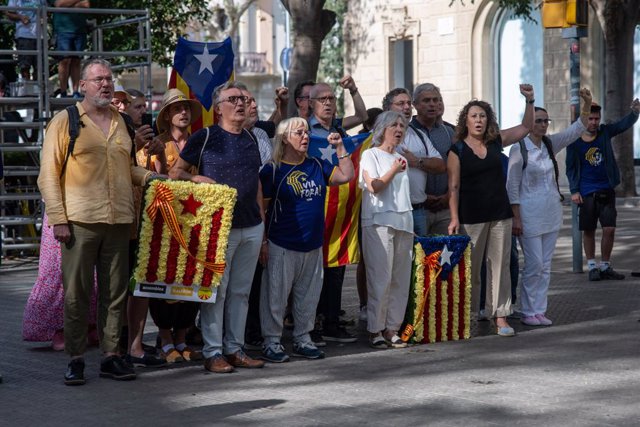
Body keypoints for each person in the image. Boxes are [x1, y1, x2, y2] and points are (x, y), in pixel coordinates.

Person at [38, 58, 155, 385]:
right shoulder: (66, 121)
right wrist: (58, 219)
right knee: (77, 293)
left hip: (119, 221)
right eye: (98, 79)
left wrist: (152, 178)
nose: (105, 84)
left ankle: (111, 356)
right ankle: (75, 359)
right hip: (79, 221)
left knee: (115, 292)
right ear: (83, 85)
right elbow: (48, 175)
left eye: (108, 79)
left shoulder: (122, 122)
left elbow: (128, 168)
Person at [170, 81, 266, 373]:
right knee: (216, 292)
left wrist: (262, 226)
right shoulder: (206, 136)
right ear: (219, 107)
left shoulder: (251, 138)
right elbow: (175, 172)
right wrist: (195, 179)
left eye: (242, 99)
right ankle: (213, 352)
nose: (240, 104)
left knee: (241, 292)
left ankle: (235, 349)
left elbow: (257, 183)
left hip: (251, 225)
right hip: (218, 227)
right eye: (233, 99)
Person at [259, 117, 354, 362]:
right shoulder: (272, 170)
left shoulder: (316, 164)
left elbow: (346, 176)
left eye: (306, 133)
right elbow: (263, 210)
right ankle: (272, 342)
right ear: (284, 138)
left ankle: (303, 339)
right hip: (282, 243)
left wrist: (340, 148)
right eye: (299, 133)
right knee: (276, 297)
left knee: (308, 296)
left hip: (312, 244)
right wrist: (263, 242)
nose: (305, 137)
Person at [447, 84, 535, 337]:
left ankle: (500, 316)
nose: (478, 120)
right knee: (471, 270)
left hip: (500, 215)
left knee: (500, 266)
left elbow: (525, 128)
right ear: (466, 120)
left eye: (483, 116)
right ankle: (468, 316)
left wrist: (530, 101)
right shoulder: (457, 150)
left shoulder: (496, 142)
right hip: (470, 217)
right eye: (474, 116)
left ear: (489, 120)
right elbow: (453, 186)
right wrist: (454, 217)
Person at [507, 88, 593, 326]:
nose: (543, 125)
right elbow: (512, 186)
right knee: (533, 265)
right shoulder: (519, 148)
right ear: (529, 123)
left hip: (550, 213)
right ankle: (526, 310)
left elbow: (576, 130)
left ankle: (539, 309)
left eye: (546, 121)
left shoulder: (548, 144)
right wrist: (516, 217)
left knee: (545, 266)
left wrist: (587, 104)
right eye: (538, 121)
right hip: (528, 214)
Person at [137, 88, 204, 363]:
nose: (184, 112)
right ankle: (165, 339)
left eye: (186, 108)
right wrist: (163, 161)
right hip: (163, 223)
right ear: (166, 116)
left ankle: (182, 337)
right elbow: (153, 183)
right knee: (163, 279)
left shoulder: (200, 142)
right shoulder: (155, 144)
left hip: (195, 223)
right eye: (177, 109)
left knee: (193, 278)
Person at [308, 77, 367, 344]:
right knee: (313, 272)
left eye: (331, 98)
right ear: (311, 104)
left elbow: (364, 116)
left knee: (336, 269)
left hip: (341, 210)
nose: (328, 103)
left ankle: (332, 321)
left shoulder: (340, 130)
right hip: (315, 207)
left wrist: (353, 89)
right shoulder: (304, 131)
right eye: (323, 99)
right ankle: (312, 324)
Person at [566, 98, 640, 281]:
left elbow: (622, 125)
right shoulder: (574, 140)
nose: (594, 122)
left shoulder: (605, 132)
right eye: (590, 119)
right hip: (586, 192)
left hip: (606, 189)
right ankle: (592, 266)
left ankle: (605, 266)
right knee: (589, 230)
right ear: (584, 120)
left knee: (609, 229)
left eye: (596, 119)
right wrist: (574, 190)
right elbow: (570, 168)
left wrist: (635, 113)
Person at [359, 110, 413, 349]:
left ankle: (393, 327)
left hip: (404, 220)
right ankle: (375, 329)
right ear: (383, 129)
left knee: (400, 279)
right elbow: (375, 187)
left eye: (402, 126)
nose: (399, 130)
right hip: (378, 221)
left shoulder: (403, 159)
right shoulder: (370, 154)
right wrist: (393, 169)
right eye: (394, 125)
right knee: (380, 278)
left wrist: (399, 164)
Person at [382, 87, 446, 236]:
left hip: (418, 211)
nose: (406, 107)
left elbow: (441, 165)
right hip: (392, 211)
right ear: (387, 108)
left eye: (408, 103)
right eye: (400, 103)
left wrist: (417, 161)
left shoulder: (419, 135)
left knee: (421, 258)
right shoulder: (378, 137)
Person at [410, 83, 455, 235]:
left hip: (445, 208)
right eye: (427, 101)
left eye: (436, 100)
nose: (432, 105)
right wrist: (423, 196)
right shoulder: (407, 133)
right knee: (420, 257)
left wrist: (449, 194)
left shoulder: (448, 132)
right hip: (419, 209)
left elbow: (456, 167)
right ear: (415, 104)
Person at [50, 0, 90, 97]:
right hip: (62, 30)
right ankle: (63, 91)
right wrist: (77, 3)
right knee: (64, 60)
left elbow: (86, 4)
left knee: (76, 61)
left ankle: (76, 91)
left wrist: (67, 5)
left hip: (79, 29)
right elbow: (59, 4)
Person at [6, 0, 45, 80]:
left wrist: (42, 18)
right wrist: (20, 17)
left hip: (39, 36)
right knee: (25, 66)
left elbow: (45, 10)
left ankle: (38, 91)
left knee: (40, 67)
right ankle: (27, 90)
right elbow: (9, 13)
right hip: (23, 36)